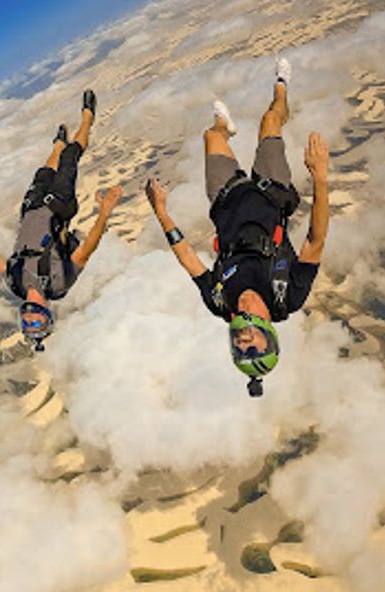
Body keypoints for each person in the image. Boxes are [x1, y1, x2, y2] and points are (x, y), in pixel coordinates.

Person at [145, 58, 330, 396]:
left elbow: (188, 259)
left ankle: (224, 126)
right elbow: (314, 243)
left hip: (226, 200)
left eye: (240, 353)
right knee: (270, 119)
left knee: (211, 135)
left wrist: (162, 214)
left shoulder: (221, 302)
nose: (245, 344)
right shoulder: (287, 296)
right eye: (255, 349)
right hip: (270, 192)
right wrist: (320, 177)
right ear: (269, 338)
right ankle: (281, 83)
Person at [0, 90, 123, 351]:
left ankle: (57, 143)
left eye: (27, 324)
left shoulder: (16, 284)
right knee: (69, 159)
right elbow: (87, 249)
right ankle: (87, 118)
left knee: (45, 170)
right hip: (58, 209)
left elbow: (0, 265)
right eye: (37, 322)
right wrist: (105, 213)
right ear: (47, 314)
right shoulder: (59, 283)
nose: (30, 319)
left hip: (31, 209)